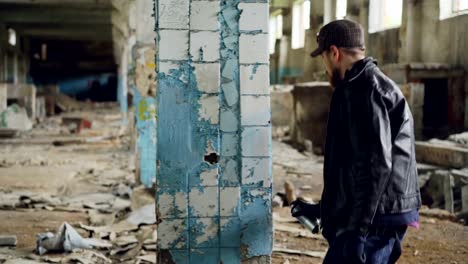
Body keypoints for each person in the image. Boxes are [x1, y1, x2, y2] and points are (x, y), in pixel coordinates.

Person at [291, 19, 422, 264]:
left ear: (334, 52)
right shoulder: (358, 85)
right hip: (375, 215)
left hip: (377, 220)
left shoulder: (365, 89)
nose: (326, 68)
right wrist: (325, 209)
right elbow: (353, 163)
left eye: (324, 59)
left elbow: (376, 167)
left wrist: (357, 232)